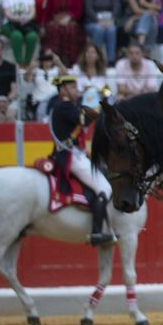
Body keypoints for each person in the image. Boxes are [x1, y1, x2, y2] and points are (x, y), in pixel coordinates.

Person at [46, 72, 116, 246]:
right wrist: (101, 101)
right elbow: (84, 119)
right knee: (105, 188)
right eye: (71, 87)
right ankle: (97, 233)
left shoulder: (64, 106)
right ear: (62, 90)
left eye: (75, 87)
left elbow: (84, 120)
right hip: (71, 157)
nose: (76, 90)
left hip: (74, 154)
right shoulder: (65, 106)